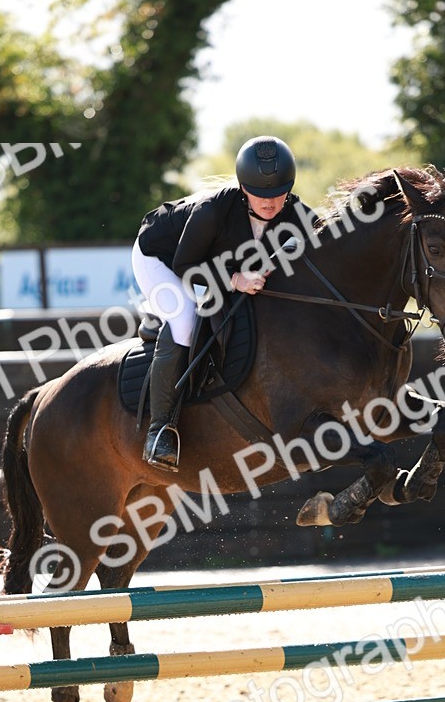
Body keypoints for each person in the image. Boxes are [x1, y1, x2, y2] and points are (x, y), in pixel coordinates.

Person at [131, 135, 315, 472]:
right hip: (161, 258)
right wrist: (235, 280)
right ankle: (160, 431)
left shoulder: (292, 210)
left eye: (278, 194)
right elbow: (187, 267)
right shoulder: (212, 212)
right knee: (185, 320)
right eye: (261, 195)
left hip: (205, 264)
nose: (271, 203)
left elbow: (323, 234)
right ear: (245, 188)